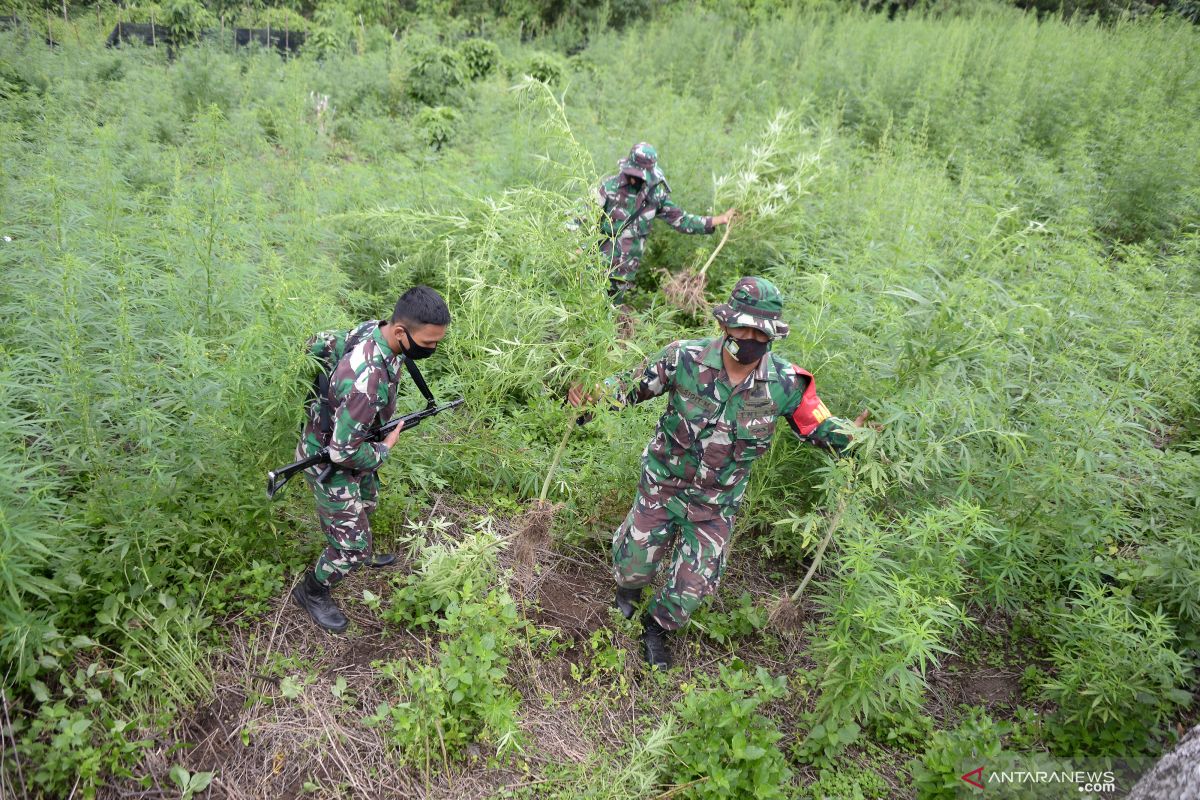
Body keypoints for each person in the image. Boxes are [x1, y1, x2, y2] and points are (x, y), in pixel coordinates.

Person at [569, 277, 867, 668]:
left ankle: (657, 627)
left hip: (715, 504)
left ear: (772, 334)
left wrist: (858, 439)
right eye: (742, 327)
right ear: (725, 324)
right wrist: (587, 399)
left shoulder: (785, 384)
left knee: (691, 590)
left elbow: (819, 426)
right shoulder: (683, 358)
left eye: (759, 332)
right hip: (664, 484)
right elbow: (626, 389)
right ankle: (629, 595)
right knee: (631, 567)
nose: (749, 338)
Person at [291, 286, 450, 633]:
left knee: (367, 502)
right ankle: (313, 591)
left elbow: (323, 342)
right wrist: (384, 448)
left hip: (352, 436)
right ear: (399, 331)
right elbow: (342, 452)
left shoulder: (374, 331)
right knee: (351, 545)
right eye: (427, 343)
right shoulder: (367, 379)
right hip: (330, 460)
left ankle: (355, 548)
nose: (433, 349)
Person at [592, 142, 735, 302]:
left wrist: (720, 219)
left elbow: (682, 220)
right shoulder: (608, 187)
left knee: (610, 316)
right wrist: (577, 250)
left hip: (624, 274)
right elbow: (582, 218)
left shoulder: (654, 195)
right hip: (596, 269)